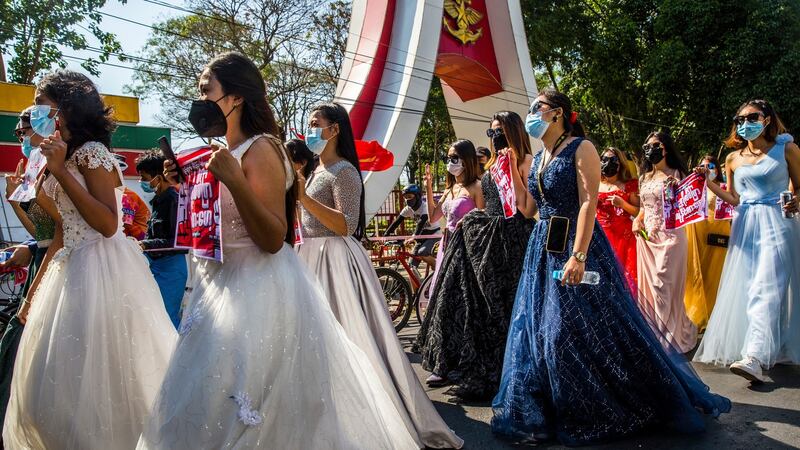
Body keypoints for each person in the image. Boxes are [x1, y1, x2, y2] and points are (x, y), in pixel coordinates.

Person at [138, 54, 420, 450]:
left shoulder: (263, 149)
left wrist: (234, 181)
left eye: (207, 90)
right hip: (216, 290)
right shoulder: (221, 155)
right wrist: (185, 188)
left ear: (235, 98)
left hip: (257, 291)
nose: (199, 99)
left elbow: (273, 237)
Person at [492, 89, 730, 446]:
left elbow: (588, 203)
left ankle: (610, 399)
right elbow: (528, 210)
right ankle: (559, 402)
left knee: (586, 327)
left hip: (578, 245)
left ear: (557, 113)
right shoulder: (542, 156)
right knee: (543, 332)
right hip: (543, 248)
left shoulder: (580, 148)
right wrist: (513, 172)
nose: (531, 114)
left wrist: (579, 255)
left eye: (536, 108)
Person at [3, 70, 177, 449]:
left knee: (101, 383)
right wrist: (32, 294)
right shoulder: (53, 155)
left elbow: (108, 224)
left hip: (103, 272)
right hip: (68, 268)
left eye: (40, 103)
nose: (34, 111)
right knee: (50, 389)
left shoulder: (89, 154)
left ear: (64, 109)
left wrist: (61, 170)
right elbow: (60, 231)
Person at [296, 102, 463, 449]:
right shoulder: (314, 172)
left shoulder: (344, 171)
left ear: (335, 129)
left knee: (350, 337)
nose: (311, 129)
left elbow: (346, 223)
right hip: (310, 258)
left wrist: (302, 199)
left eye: (317, 123)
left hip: (336, 260)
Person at [415, 111, 535, 401]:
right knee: (472, 303)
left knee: (504, 306)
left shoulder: (526, 161)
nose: (494, 137)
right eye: (491, 131)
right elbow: (488, 204)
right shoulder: (491, 164)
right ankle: (459, 361)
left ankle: (514, 369)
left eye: (499, 132)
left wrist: (512, 171)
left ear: (513, 132)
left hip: (512, 238)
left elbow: (526, 209)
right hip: (486, 238)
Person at [694, 99, 800, 382]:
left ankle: (753, 356)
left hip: (778, 223)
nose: (744, 123)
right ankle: (771, 347)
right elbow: (734, 198)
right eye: (739, 119)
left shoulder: (787, 149)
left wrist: (795, 201)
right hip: (745, 226)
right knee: (752, 285)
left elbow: (799, 187)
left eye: (751, 117)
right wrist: (708, 183)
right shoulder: (733, 158)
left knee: (766, 286)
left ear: (767, 119)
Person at [0, 107, 56, 435]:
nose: (21, 139)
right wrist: (15, 199)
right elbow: (43, 230)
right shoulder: (37, 166)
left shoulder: (54, 165)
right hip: (43, 262)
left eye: (23, 131)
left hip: (53, 272)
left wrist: (19, 203)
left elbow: (51, 233)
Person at [633, 131, 697, 353]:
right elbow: (643, 209)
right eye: (647, 146)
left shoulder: (678, 174)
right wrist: (637, 221)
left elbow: (689, 204)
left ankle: (670, 338)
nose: (650, 149)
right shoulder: (644, 178)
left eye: (655, 145)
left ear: (666, 148)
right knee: (651, 289)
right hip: (648, 238)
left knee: (664, 286)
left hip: (671, 237)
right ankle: (659, 333)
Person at [423, 140, 484, 296]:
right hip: (446, 245)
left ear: (466, 159)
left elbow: (485, 219)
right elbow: (433, 217)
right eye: (447, 158)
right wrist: (428, 187)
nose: (450, 162)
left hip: (466, 247)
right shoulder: (450, 188)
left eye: (454, 158)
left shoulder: (477, 186)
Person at [135, 150, 188, 329]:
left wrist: (144, 244)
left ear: (158, 177)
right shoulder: (157, 201)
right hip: (155, 266)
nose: (141, 182)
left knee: (168, 319)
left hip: (171, 269)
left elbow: (176, 241)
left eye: (144, 178)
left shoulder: (174, 201)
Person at [683, 155, 730, 330]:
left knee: (715, 274)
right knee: (698, 271)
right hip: (698, 234)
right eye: (702, 165)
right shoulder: (694, 187)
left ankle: (714, 316)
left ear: (717, 168)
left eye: (710, 165)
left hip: (719, 233)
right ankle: (698, 314)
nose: (706, 168)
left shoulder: (724, 187)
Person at [596, 146, 640, 293]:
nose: (608, 163)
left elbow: (639, 211)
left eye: (612, 160)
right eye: (605, 160)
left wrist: (623, 204)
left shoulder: (629, 185)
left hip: (624, 237)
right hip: (601, 235)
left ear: (620, 163)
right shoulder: (595, 183)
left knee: (625, 280)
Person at [383, 184, 439, 268]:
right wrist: (385, 235)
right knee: (411, 266)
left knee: (422, 252)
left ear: (417, 196)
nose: (407, 200)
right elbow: (396, 222)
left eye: (409, 196)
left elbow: (421, 222)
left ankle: (439, 268)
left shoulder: (425, 206)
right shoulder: (407, 209)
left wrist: (413, 237)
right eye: (405, 197)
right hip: (421, 236)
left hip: (434, 234)